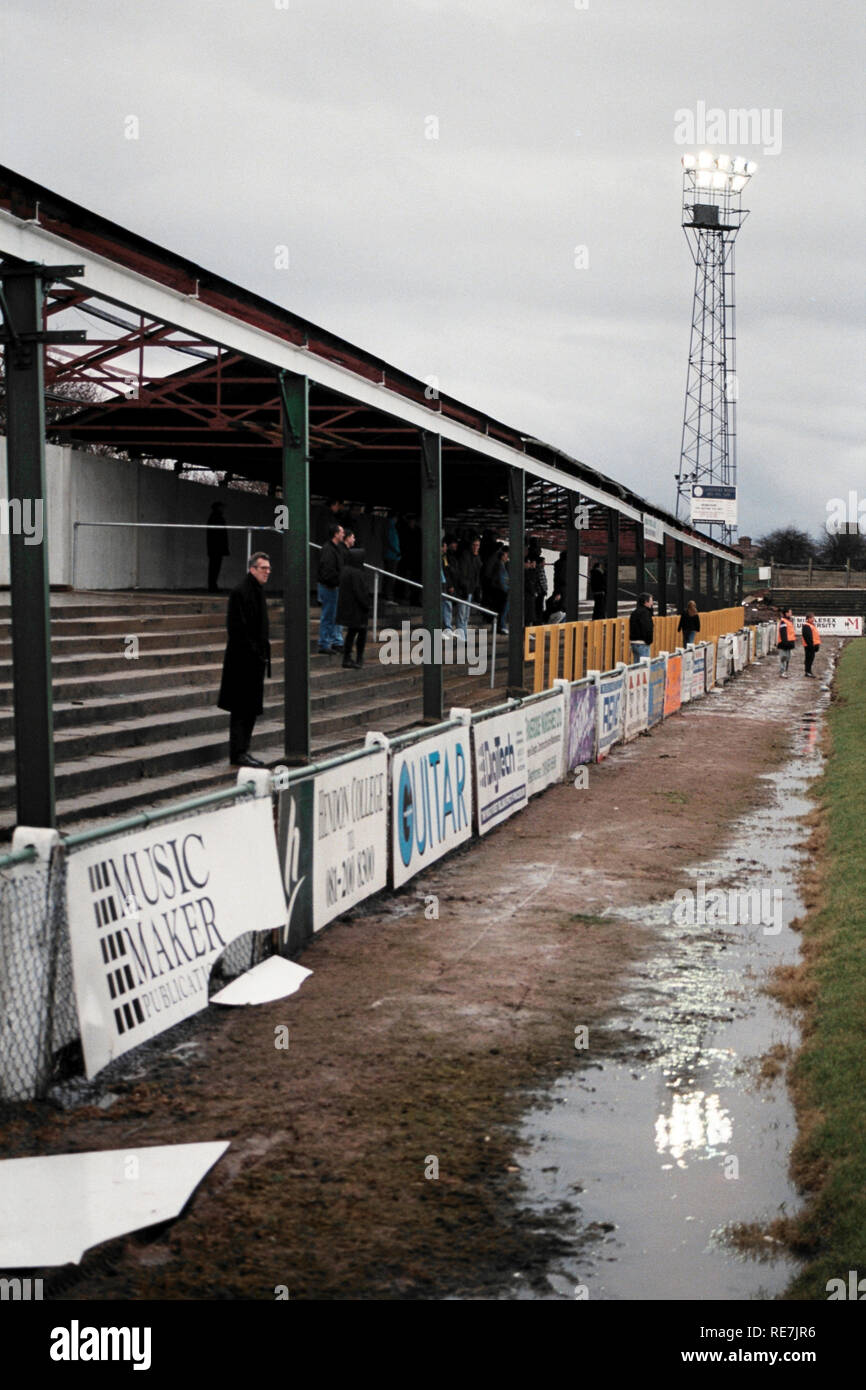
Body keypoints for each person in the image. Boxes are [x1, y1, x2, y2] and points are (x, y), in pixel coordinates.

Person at [217, 552, 272, 767]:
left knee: (249, 710)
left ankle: (243, 750)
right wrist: (254, 651)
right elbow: (237, 628)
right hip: (242, 663)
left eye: (268, 568)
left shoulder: (256, 591)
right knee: (241, 710)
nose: (267, 572)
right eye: (263, 568)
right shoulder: (241, 592)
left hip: (253, 661)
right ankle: (238, 752)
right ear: (252, 568)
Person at [337, 548, 371, 668]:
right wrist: (367, 605)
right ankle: (357, 658)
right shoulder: (357, 572)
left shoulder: (346, 570)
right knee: (360, 633)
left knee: (351, 633)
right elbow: (360, 592)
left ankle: (347, 658)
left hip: (349, 608)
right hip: (358, 610)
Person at [317, 522, 345, 653]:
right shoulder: (329, 549)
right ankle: (325, 643)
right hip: (329, 587)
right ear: (336, 534)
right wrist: (336, 581)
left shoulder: (335, 548)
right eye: (341, 532)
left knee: (333, 616)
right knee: (328, 616)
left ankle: (333, 641)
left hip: (333, 586)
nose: (343, 534)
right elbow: (328, 571)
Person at [206, 501, 229, 593]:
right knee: (214, 567)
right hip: (216, 548)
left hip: (215, 547)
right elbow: (218, 534)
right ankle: (212, 586)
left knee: (214, 567)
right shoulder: (216, 518)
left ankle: (213, 585)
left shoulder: (215, 517)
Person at [629, 592, 654, 661]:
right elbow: (647, 628)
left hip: (634, 642)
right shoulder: (645, 613)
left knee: (636, 666)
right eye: (651, 601)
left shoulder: (634, 612)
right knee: (644, 666)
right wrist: (649, 641)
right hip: (642, 643)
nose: (652, 603)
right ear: (646, 602)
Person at [777, 607, 796, 678]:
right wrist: (785, 642)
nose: (791, 613)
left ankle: (785, 671)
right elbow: (783, 633)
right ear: (786, 613)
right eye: (790, 612)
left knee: (787, 658)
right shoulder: (784, 622)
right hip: (784, 643)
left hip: (788, 643)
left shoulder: (788, 621)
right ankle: (782, 672)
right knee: (783, 657)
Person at [802, 612, 822, 677]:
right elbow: (808, 637)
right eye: (812, 617)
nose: (814, 619)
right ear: (809, 618)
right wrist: (811, 646)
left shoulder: (811, 625)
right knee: (809, 658)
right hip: (809, 646)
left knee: (811, 658)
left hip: (812, 645)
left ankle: (808, 671)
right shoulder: (806, 626)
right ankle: (808, 672)